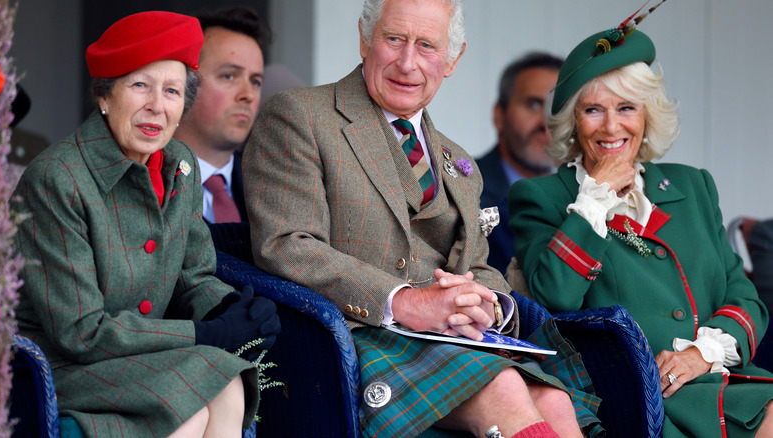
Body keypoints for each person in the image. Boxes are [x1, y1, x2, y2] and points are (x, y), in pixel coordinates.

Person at [244, 1, 602, 437]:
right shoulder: (299, 115)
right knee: (506, 389)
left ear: (452, 59)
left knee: (557, 402)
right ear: (364, 38)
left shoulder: (459, 160)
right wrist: (406, 302)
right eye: (394, 39)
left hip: (456, 341)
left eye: (427, 45)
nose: (408, 63)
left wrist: (487, 305)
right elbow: (286, 243)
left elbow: (477, 267)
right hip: (356, 339)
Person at [11, 11, 280, 438]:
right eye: (140, 85)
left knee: (229, 382)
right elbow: (80, 332)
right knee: (189, 408)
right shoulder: (57, 179)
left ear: (183, 105)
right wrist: (205, 332)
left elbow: (193, 275)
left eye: (172, 91)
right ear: (105, 96)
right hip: (65, 364)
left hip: (144, 358)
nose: (157, 105)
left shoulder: (180, 164)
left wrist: (228, 307)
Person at [508, 23, 773, 437]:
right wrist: (595, 199)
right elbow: (554, 297)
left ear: (647, 115)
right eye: (593, 110)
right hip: (637, 401)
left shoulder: (692, 185)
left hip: (722, 383)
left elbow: (746, 301)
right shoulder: (543, 197)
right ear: (573, 122)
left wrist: (703, 353)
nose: (612, 127)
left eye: (627, 108)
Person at [174, 6, 271, 223]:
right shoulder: (140, 178)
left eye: (255, 81)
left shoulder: (271, 186)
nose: (248, 95)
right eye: (229, 76)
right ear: (181, 82)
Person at [476, 52, 563, 273]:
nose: (547, 124)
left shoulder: (584, 197)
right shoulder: (462, 187)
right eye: (534, 105)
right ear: (499, 116)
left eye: (558, 109)